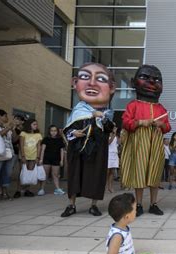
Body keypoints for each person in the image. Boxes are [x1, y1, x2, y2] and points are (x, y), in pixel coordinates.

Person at [61, 62, 116, 217]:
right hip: (77, 149)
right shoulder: (78, 110)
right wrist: (74, 134)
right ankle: (71, 205)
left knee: (96, 176)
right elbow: (67, 132)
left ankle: (94, 205)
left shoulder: (107, 113)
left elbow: (109, 129)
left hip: (98, 149)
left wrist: (102, 118)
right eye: (85, 77)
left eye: (101, 79)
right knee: (75, 175)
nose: (92, 83)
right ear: (75, 83)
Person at [120, 64, 171, 216]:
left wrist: (161, 124)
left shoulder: (161, 108)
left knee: (155, 174)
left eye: (156, 79)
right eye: (145, 78)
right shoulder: (133, 105)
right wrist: (141, 122)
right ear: (134, 81)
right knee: (140, 173)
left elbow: (168, 127)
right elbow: (126, 123)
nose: (152, 83)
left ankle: (154, 204)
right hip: (139, 144)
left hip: (155, 144)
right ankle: (139, 204)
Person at [39, 125, 66, 195]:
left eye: (55, 131)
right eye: (52, 131)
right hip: (46, 159)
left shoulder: (60, 139)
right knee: (45, 175)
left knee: (55, 175)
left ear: (57, 132)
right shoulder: (46, 139)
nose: (53, 132)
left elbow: (61, 150)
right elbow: (43, 150)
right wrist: (41, 159)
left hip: (56, 159)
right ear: (49, 131)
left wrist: (62, 160)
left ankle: (57, 189)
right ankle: (41, 189)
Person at [20, 119, 44, 196]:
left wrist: (38, 157)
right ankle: (18, 190)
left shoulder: (38, 135)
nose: (36, 126)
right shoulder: (23, 133)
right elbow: (21, 145)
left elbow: (39, 147)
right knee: (22, 172)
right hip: (25, 156)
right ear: (29, 125)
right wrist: (23, 156)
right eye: (34, 124)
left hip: (33, 156)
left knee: (30, 173)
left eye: (36, 124)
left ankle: (27, 190)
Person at [11, 114, 26, 198]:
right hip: (13, 152)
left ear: (22, 121)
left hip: (22, 153)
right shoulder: (13, 128)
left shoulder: (25, 130)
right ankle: (18, 190)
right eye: (15, 119)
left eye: (18, 119)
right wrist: (13, 129)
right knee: (10, 171)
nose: (16, 120)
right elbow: (14, 140)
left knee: (22, 171)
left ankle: (23, 189)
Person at [107, 126, 120, 193]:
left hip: (114, 154)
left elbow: (119, 143)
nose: (115, 128)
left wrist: (116, 135)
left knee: (112, 172)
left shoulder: (116, 135)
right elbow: (108, 142)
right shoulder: (107, 134)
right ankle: (103, 186)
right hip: (108, 154)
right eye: (114, 127)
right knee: (107, 172)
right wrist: (113, 134)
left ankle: (110, 187)